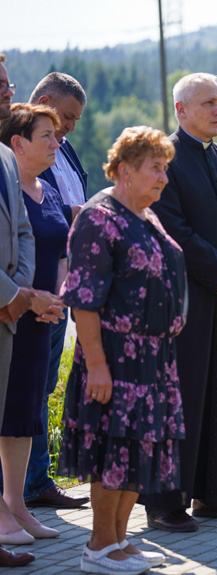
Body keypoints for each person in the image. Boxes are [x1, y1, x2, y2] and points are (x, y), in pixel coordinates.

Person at [58, 125, 185, 574]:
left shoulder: (147, 214)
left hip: (154, 360)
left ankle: (119, 540)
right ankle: (98, 546)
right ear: (125, 170)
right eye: (156, 168)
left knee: (141, 451)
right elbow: (84, 300)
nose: (163, 178)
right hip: (115, 357)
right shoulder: (98, 217)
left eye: (165, 168)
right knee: (112, 453)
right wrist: (96, 365)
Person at [143, 73, 217, 532]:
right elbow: (172, 228)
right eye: (208, 103)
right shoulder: (164, 161)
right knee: (183, 395)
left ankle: (215, 494)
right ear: (181, 110)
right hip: (187, 299)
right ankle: (166, 503)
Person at [0, 104, 70, 543]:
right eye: (47, 135)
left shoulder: (49, 190)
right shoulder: (10, 190)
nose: (56, 143)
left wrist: (56, 299)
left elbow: (60, 250)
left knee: (27, 412)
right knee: (4, 412)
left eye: (57, 135)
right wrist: (25, 298)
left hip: (43, 314)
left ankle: (18, 504)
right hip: (11, 313)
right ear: (18, 143)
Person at [22, 72, 90, 510]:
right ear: (45, 102)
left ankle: (36, 481)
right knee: (25, 389)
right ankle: (23, 488)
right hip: (30, 289)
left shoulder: (62, 149)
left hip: (62, 284)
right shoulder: (22, 153)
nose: (67, 130)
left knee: (44, 386)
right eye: (64, 118)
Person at [0, 52, 38, 568]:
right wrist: (9, 295)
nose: (8, 92)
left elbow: (23, 231)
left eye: (7, 82)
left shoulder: (6, 157)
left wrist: (19, 292)